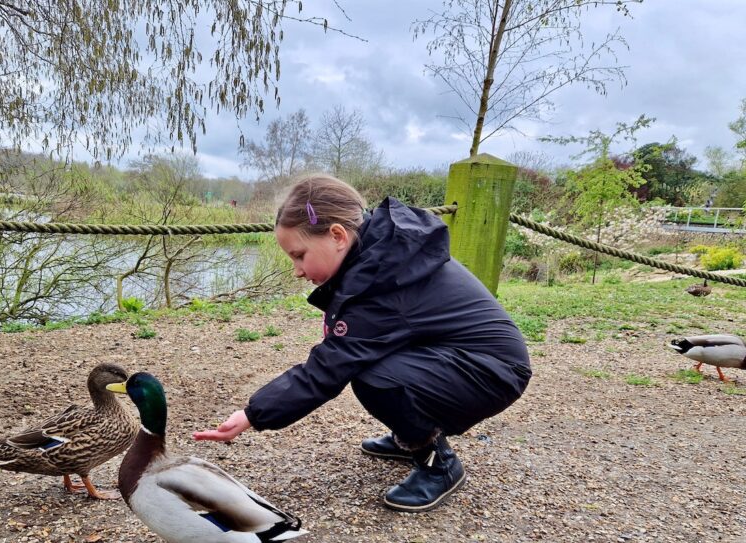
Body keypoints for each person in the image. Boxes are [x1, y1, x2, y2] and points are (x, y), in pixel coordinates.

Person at [193, 174, 531, 512]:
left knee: (375, 378)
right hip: (463, 356)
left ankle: (438, 465)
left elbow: (329, 366)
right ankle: (412, 435)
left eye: (299, 255)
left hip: (493, 372)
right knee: (375, 366)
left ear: (337, 235)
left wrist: (253, 414)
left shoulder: (384, 279)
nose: (297, 270)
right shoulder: (382, 255)